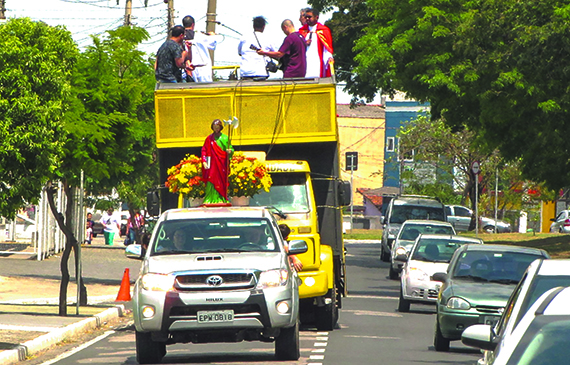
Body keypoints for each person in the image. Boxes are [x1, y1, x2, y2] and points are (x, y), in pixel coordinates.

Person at [202, 119, 234, 204]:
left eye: (217, 127)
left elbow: (231, 148)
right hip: (212, 164)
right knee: (211, 180)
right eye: (214, 127)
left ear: (220, 127)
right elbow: (204, 150)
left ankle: (221, 198)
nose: (216, 129)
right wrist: (204, 161)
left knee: (222, 181)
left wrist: (229, 152)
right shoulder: (209, 139)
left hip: (222, 163)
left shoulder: (225, 138)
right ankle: (210, 199)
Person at [183, 15, 221, 83]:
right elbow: (213, 42)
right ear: (193, 24)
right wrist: (213, 35)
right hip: (203, 68)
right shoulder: (199, 36)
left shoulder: (181, 37)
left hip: (190, 69)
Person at [298, 8, 334, 78]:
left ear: (316, 17)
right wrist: (304, 43)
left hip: (318, 59)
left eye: (310, 17)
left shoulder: (324, 30)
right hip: (305, 60)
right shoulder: (302, 31)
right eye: (306, 17)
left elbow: (327, 47)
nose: (307, 19)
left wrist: (329, 57)